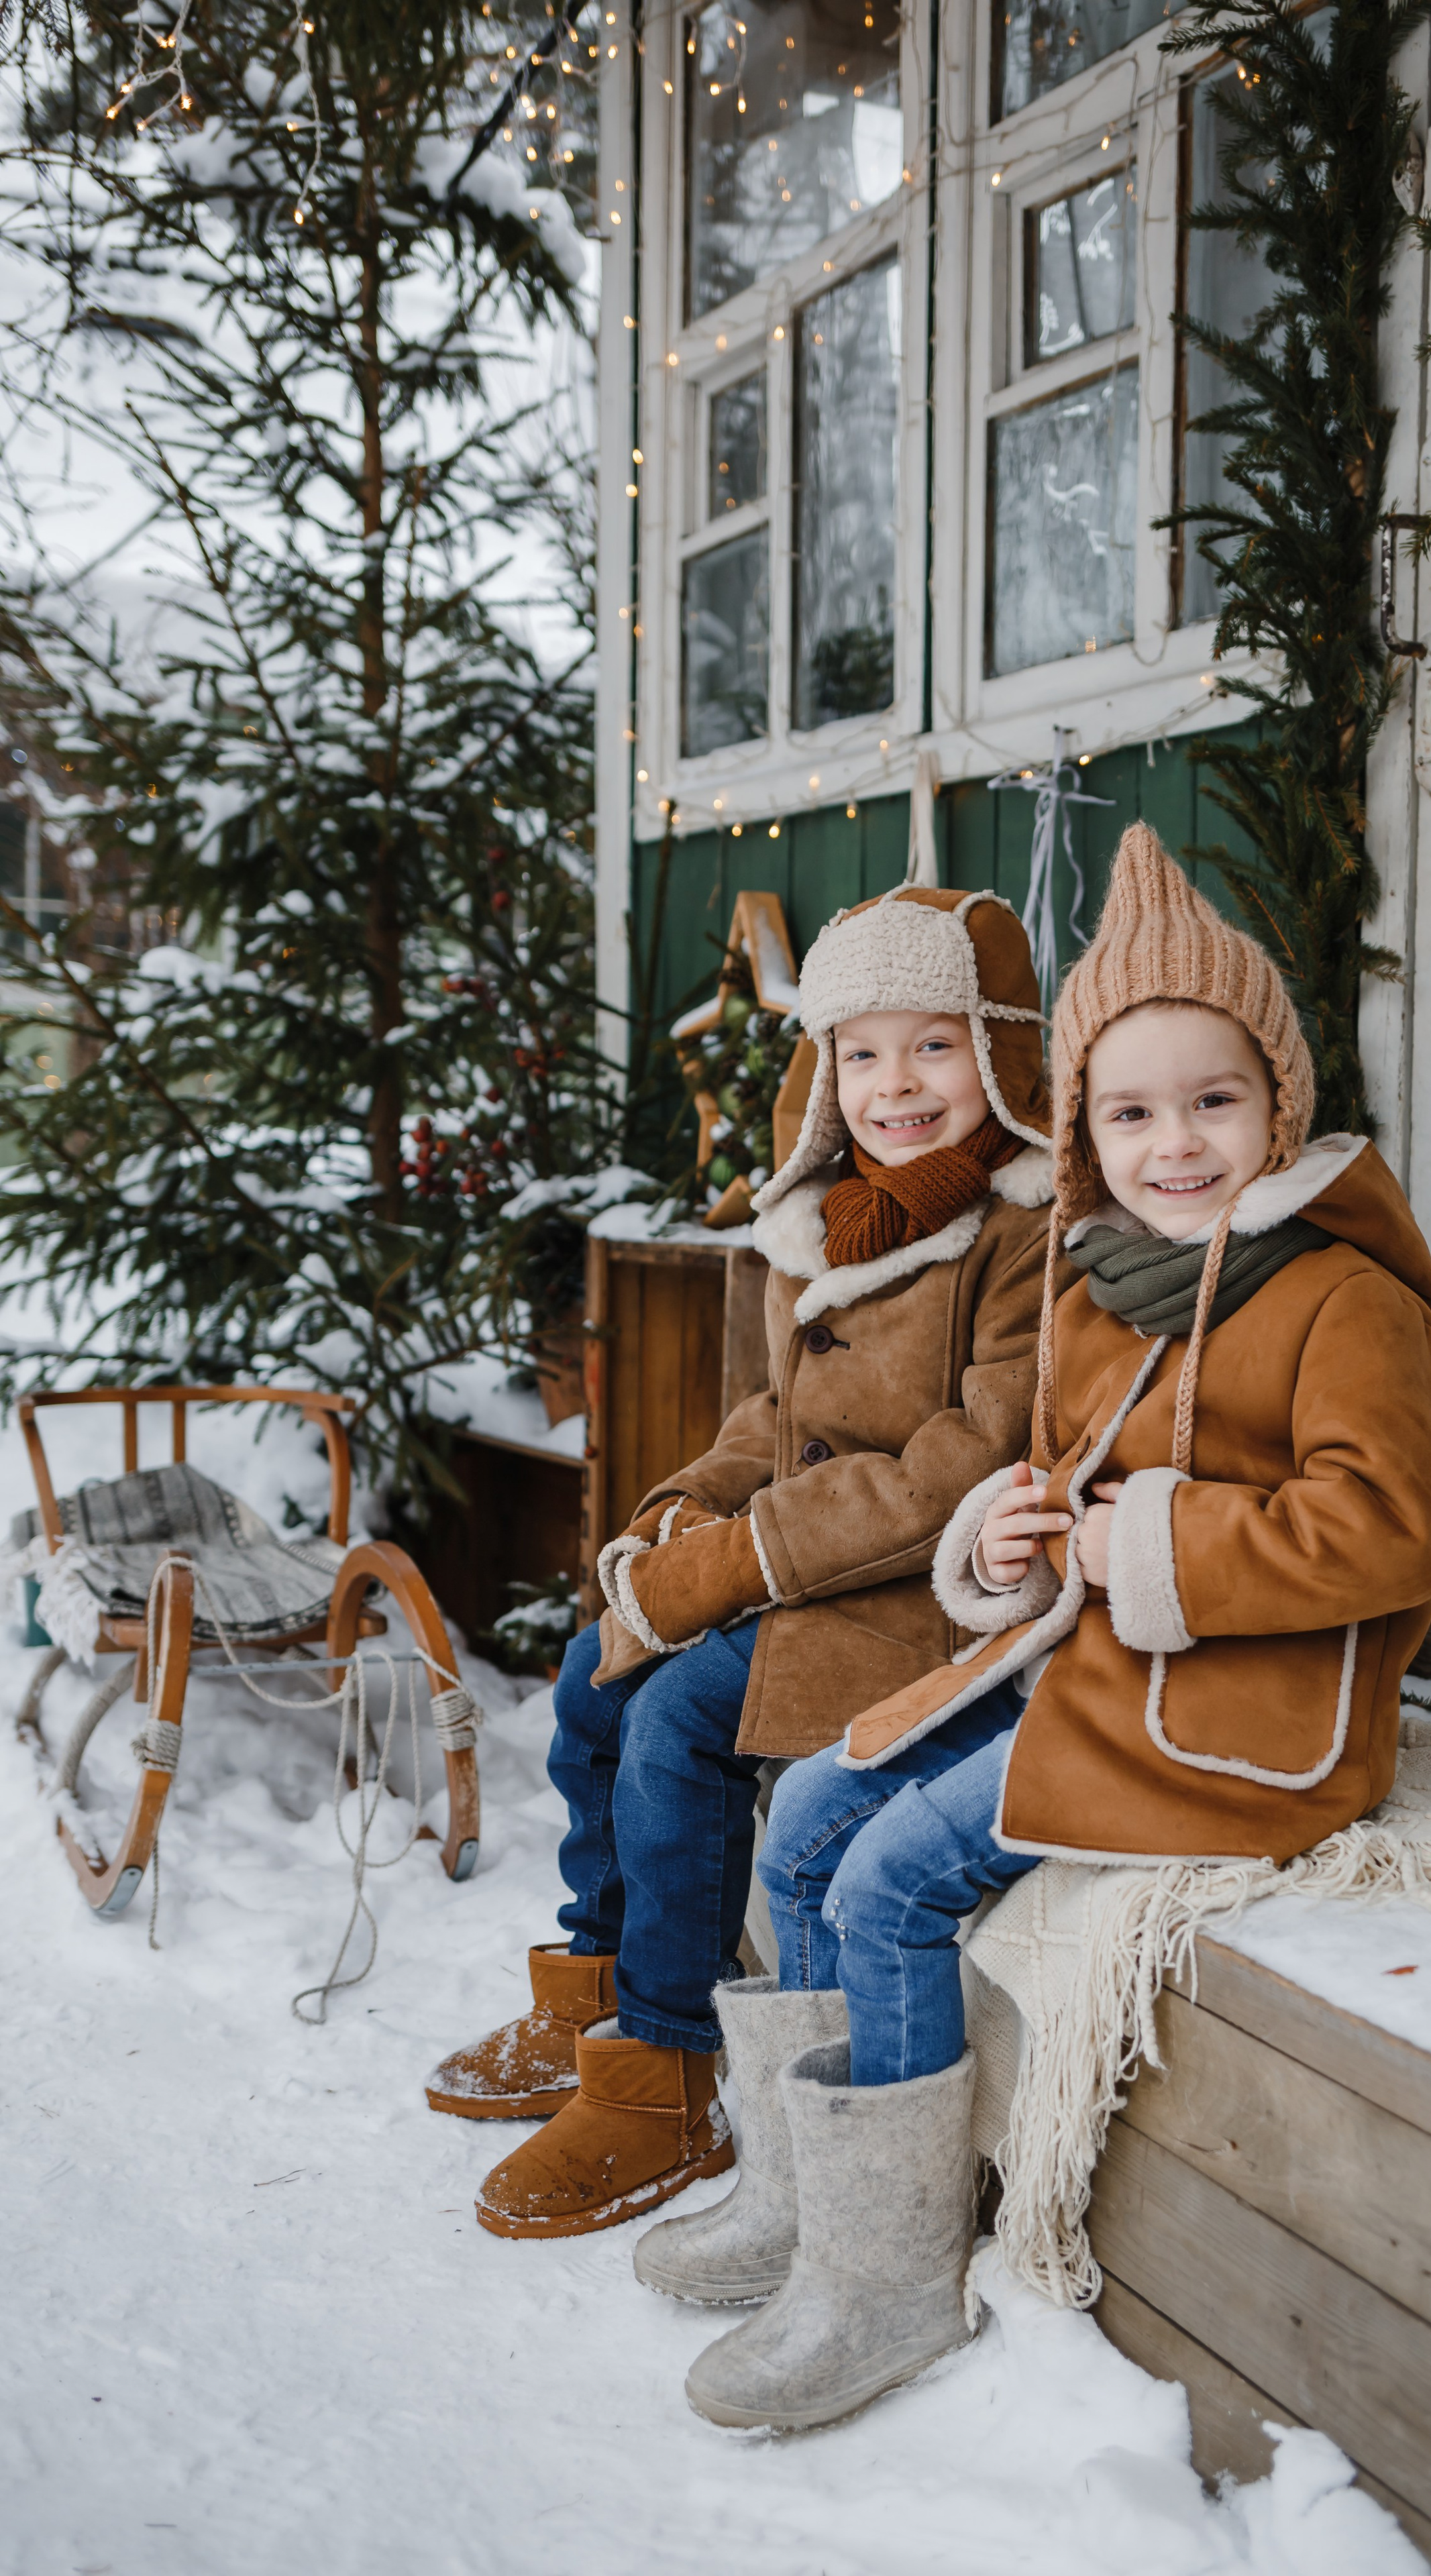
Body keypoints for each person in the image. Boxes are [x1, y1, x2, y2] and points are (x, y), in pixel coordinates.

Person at [652, 824, 1431, 2431]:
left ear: (1279, 1105)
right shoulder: (1110, 1285)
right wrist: (1009, 1534)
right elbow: (1053, 1480)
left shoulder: (1341, 1302)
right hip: (1103, 1655)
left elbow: (1392, 1526)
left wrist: (1143, 1541)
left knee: (894, 1879)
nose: (1174, 1143)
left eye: (1212, 1103)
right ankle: (810, 2202)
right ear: (1085, 1130)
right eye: (1130, 1111)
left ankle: (891, 2273)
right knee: (817, 1808)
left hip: (1246, 1700)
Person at [423, 885, 1059, 2243]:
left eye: (933, 1046)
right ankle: (593, 1987)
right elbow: (775, 1423)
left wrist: (736, 1563)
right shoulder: (835, 1219)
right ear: (823, 1070)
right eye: (863, 1051)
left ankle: (669, 2067)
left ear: (999, 1052)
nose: (896, 1084)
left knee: (677, 1719)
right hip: (816, 1567)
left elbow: (964, 1460)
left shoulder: (1022, 1232)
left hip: (931, 1593)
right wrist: (672, 1519)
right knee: (598, 1678)